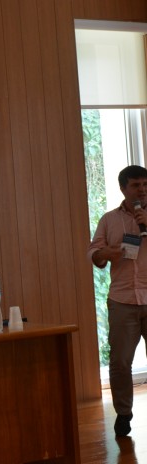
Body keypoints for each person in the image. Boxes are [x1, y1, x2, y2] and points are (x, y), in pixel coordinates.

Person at [88, 164, 147, 437]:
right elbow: (94, 253)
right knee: (121, 362)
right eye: (136, 186)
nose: (142, 190)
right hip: (122, 299)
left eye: (145, 185)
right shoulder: (109, 219)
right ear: (123, 188)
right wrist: (105, 254)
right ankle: (124, 414)